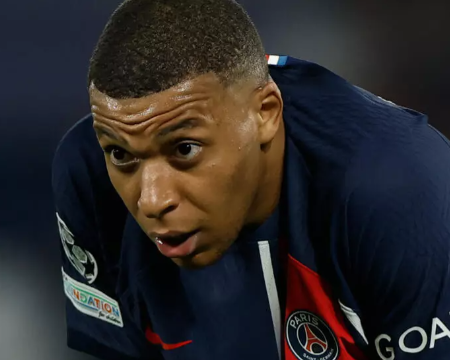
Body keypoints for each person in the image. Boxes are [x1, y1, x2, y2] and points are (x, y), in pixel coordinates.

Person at [51, 0, 450, 359]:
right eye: (121, 155)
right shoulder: (88, 175)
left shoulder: (396, 190)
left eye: (185, 148)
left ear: (266, 113)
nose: (153, 200)